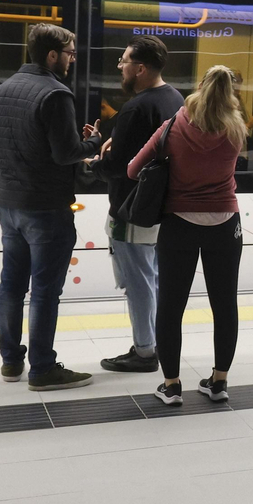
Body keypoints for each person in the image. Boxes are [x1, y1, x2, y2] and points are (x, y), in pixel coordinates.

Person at [0, 23, 101, 391]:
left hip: (8, 204)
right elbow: (66, 153)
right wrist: (94, 144)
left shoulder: (2, 90)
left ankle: (10, 360)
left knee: (10, 285)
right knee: (44, 291)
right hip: (46, 208)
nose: (72, 60)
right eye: (69, 53)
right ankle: (42, 368)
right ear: (52, 55)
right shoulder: (56, 94)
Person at [131, 65, 245, 406]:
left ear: (199, 87)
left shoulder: (173, 126)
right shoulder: (236, 130)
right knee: (225, 304)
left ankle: (171, 385)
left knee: (171, 305)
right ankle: (219, 382)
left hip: (179, 223)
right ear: (230, 93)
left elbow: (133, 169)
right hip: (225, 223)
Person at [94, 36, 184, 373]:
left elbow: (119, 166)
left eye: (124, 61)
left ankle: (145, 351)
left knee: (138, 281)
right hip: (160, 207)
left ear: (141, 68)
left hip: (131, 208)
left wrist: (94, 162)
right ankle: (156, 341)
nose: (120, 67)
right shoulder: (174, 98)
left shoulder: (135, 107)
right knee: (154, 277)